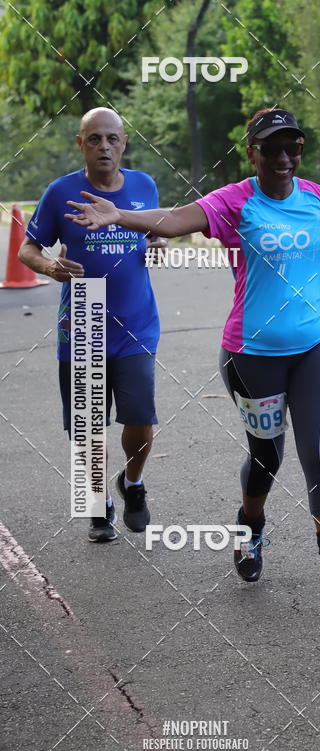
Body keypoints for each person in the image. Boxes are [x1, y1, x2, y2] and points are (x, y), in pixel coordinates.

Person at [63, 107, 320, 607]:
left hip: (318, 345)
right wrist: (119, 215)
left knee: (319, 453)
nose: (283, 158)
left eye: (292, 148)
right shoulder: (235, 201)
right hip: (250, 356)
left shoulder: (317, 199)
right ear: (252, 153)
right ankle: (250, 525)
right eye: (272, 148)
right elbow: (175, 220)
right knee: (266, 456)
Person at [19, 107, 166, 543]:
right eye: (95, 138)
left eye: (112, 138)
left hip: (136, 321)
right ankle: (98, 503)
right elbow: (28, 249)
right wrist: (50, 266)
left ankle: (133, 483)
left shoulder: (144, 186)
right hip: (83, 317)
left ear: (124, 143)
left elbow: (154, 229)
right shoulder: (60, 192)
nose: (104, 146)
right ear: (80, 144)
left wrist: (157, 240)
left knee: (140, 418)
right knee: (87, 426)